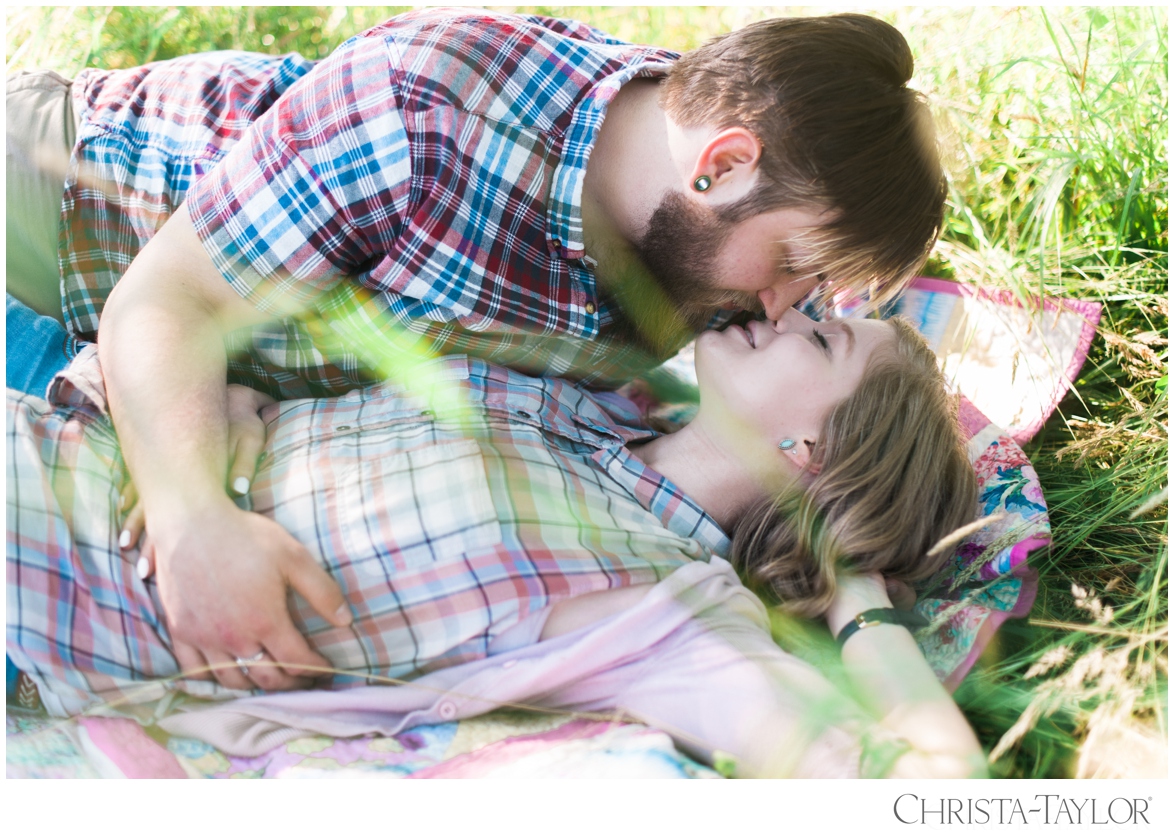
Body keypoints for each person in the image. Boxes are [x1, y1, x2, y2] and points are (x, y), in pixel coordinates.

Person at [6, 9, 946, 710]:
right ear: (723, 163)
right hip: (64, 231)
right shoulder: (427, 106)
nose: (789, 306)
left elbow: (838, 427)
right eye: (791, 267)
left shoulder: (726, 257)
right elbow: (169, 302)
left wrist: (838, 539)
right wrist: (191, 515)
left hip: (208, 358)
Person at [7, 308, 981, 778]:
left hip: (54, 599)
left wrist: (858, 592)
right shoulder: (573, 390)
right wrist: (235, 415)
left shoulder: (667, 610)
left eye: (821, 337)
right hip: (48, 439)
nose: (785, 309)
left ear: (810, 453)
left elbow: (930, 792)